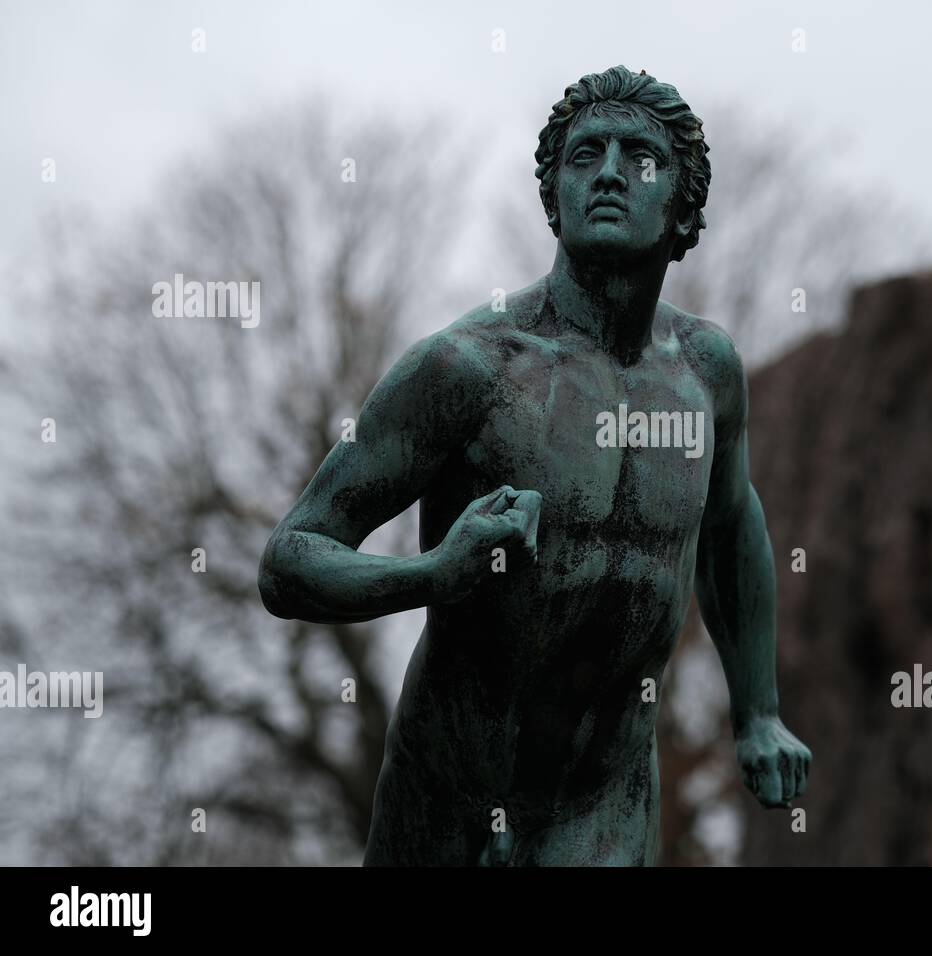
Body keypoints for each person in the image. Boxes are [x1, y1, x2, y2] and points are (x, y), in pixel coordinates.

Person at [259, 65, 811, 865]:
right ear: (553, 194)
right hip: (453, 807)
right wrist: (432, 574)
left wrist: (757, 711)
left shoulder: (705, 372)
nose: (612, 173)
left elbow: (730, 530)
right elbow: (288, 560)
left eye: (640, 157)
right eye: (584, 157)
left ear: (683, 203)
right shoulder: (469, 370)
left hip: (607, 805)